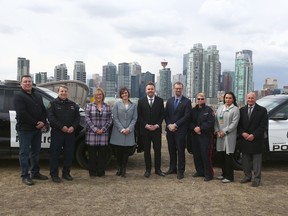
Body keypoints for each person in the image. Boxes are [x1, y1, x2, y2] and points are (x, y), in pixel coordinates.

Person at [13, 75, 48, 186]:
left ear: (32, 82)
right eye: (25, 81)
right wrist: (36, 123)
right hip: (25, 129)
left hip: (37, 130)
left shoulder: (37, 95)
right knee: (24, 153)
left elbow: (43, 110)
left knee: (35, 152)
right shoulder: (18, 96)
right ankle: (25, 176)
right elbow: (22, 113)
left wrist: (43, 121)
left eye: (29, 81)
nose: (28, 83)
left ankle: (35, 173)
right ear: (21, 84)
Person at [47, 85, 80, 183]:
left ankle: (66, 173)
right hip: (57, 133)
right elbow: (51, 118)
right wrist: (62, 127)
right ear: (58, 92)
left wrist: (73, 127)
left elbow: (77, 118)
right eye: (62, 91)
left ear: (67, 92)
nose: (63, 93)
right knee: (55, 154)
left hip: (70, 133)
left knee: (69, 154)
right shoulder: (52, 104)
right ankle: (54, 174)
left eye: (65, 91)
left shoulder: (73, 104)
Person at [238, 92, 268, 187]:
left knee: (256, 161)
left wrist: (254, 135)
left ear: (255, 99)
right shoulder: (241, 110)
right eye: (249, 98)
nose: (250, 100)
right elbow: (238, 125)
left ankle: (257, 179)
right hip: (245, 138)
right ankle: (247, 176)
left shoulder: (262, 110)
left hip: (256, 139)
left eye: (252, 98)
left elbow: (263, 126)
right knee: (245, 160)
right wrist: (243, 133)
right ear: (246, 98)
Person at [137, 82, 165, 178]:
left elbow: (162, 115)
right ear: (146, 90)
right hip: (145, 131)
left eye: (152, 89)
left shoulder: (160, 101)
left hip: (156, 130)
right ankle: (148, 170)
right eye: (148, 89)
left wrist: (157, 125)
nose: (150, 91)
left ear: (154, 90)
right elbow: (139, 116)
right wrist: (146, 125)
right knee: (147, 151)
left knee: (158, 151)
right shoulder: (141, 101)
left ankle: (158, 169)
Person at [165, 81, 192, 179]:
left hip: (180, 131)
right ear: (173, 89)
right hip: (170, 131)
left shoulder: (187, 102)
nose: (178, 90)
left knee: (180, 151)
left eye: (180, 88)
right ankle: (172, 168)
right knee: (171, 150)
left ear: (182, 89)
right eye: (176, 88)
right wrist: (169, 125)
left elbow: (187, 116)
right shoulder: (170, 101)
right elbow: (166, 115)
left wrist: (175, 125)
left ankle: (181, 171)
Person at [110, 87, 137, 177]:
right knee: (118, 152)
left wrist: (129, 129)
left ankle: (124, 169)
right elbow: (115, 117)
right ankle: (119, 168)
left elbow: (134, 118)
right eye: (122, 93)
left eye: (126, 93)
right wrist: (121, 129)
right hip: (118, 132)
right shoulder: (117, 104)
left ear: (128, 94)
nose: (124, 94)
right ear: (120, 95)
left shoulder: (133, 105)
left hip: (129, 132)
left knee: (126, 153)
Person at [85, 88, 112, 177]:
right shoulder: (89, 106)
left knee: (102, 155)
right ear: (95, 96)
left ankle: (101, 172)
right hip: (92, 134)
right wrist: (95, 129)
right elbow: (87, 119)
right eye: (97, 95)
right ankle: (92, 172)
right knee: (92, 155)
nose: (99, 96)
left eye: (100, 94)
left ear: (103, 96)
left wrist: (103, 129)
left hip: (103, 134)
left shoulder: (107, 106)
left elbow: (109, 119)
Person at [214, 92, 240, 183]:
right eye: (226, 98)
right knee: (222, 155)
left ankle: (229, 176)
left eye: (230, 98)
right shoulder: (220, 108)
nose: (228, 100)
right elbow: (216, 121)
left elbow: (234, 124)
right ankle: (224, 174)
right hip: (220, 136)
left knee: (228, 156)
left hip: (229, 136)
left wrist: (224, 132)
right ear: (224, 99)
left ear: (233, 99)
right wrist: (217, 131)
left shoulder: (235, 110)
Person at [190, 93, 215, 181]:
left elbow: (210, 123)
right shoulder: (193, 110)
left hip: (205, 136)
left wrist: (200, 128)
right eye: (199, 99)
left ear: (205, 100)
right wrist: (194, 128)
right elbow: (190, 121)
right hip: (195, 136)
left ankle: (208, 174)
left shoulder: (209, 110)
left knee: (205, 155)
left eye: (202, 99)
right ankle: (199, 171)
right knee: (196, 154)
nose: (200, 100)